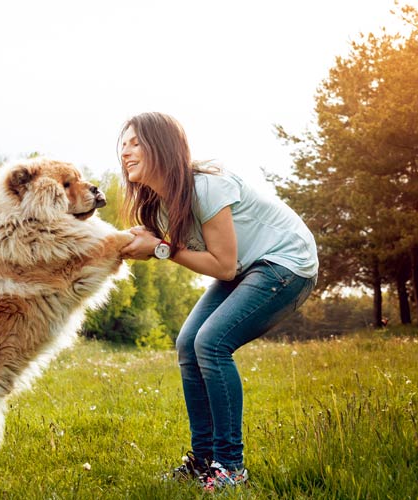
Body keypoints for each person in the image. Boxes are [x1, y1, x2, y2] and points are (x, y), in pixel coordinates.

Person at [118, 112, 318, 491]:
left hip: (286, 263)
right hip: (248, 267)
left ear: (161, 146)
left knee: (211, 343)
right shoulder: (160, 203)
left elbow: (223, 267)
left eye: (135, 143)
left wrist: (161, 249)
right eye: (123, 144)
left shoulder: (206, 187)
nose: (125, 152)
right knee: (187, 344)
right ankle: (203, 461)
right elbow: (208, 261)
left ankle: (230, 467)